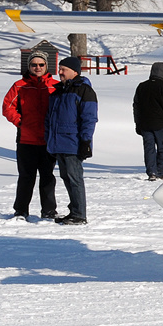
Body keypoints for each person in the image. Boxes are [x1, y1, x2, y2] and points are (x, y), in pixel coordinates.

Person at [2, 50, 58, 220]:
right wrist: (21, 122)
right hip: (26, 140)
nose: (37, 67)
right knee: (26, 177)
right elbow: (7, 107)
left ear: (46, 66)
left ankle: (48, 211)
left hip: (48, 140)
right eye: (34, 65)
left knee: (48, 177)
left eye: (41, 65)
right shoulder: (19, 85)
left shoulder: (55, 85)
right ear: (29, 66)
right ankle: (20, 210)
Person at [45, 56, 98, 225]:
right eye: (60, 69)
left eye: (63, 69)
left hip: (73, 143)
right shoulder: (59, 91)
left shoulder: (84, 90)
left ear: (74, 71)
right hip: (58, 142)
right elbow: (50, 118)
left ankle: (80, 214)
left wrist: (85, 142)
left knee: (75, 178)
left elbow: (89, 119)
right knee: (66, 177)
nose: (60, 72)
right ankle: (74, 211)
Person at [133, 62, 163, 180]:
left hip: (145, 124)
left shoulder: (141, 86)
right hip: (160, 124)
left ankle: (151, 172)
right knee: (161, 148)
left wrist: (137, 123)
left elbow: (136, 107)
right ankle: (160, 171)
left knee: (149, 148)